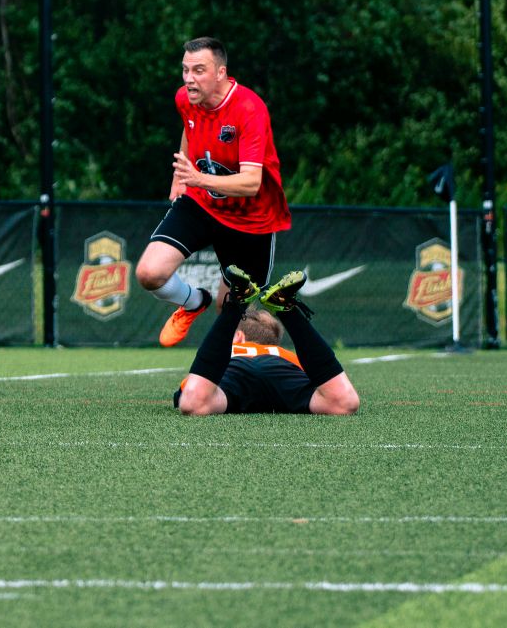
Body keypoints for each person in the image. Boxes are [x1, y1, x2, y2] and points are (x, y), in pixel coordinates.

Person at [134, 37, 292, 347]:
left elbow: (251, 183)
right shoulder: (186, 99)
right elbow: (189, 126)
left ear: (221, 72)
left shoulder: (249, 109)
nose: (189, 78)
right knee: (149, 273)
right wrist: (180, 178)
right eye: (185, 70)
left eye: (199, 70)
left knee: (230, 311)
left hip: (251, 218)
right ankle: (193, 302)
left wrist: (198, 178)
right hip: (202, 203)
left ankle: (255, 361)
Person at [175, 266, 359, 416]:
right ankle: (287, 309)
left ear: (238, 337)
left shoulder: (232, 350)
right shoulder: (286, 356)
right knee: (343, 404)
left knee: (193, 403)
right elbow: (322, 379)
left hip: (235, 369)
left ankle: (236, 304)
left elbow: (188, 391)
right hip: (283, 371)